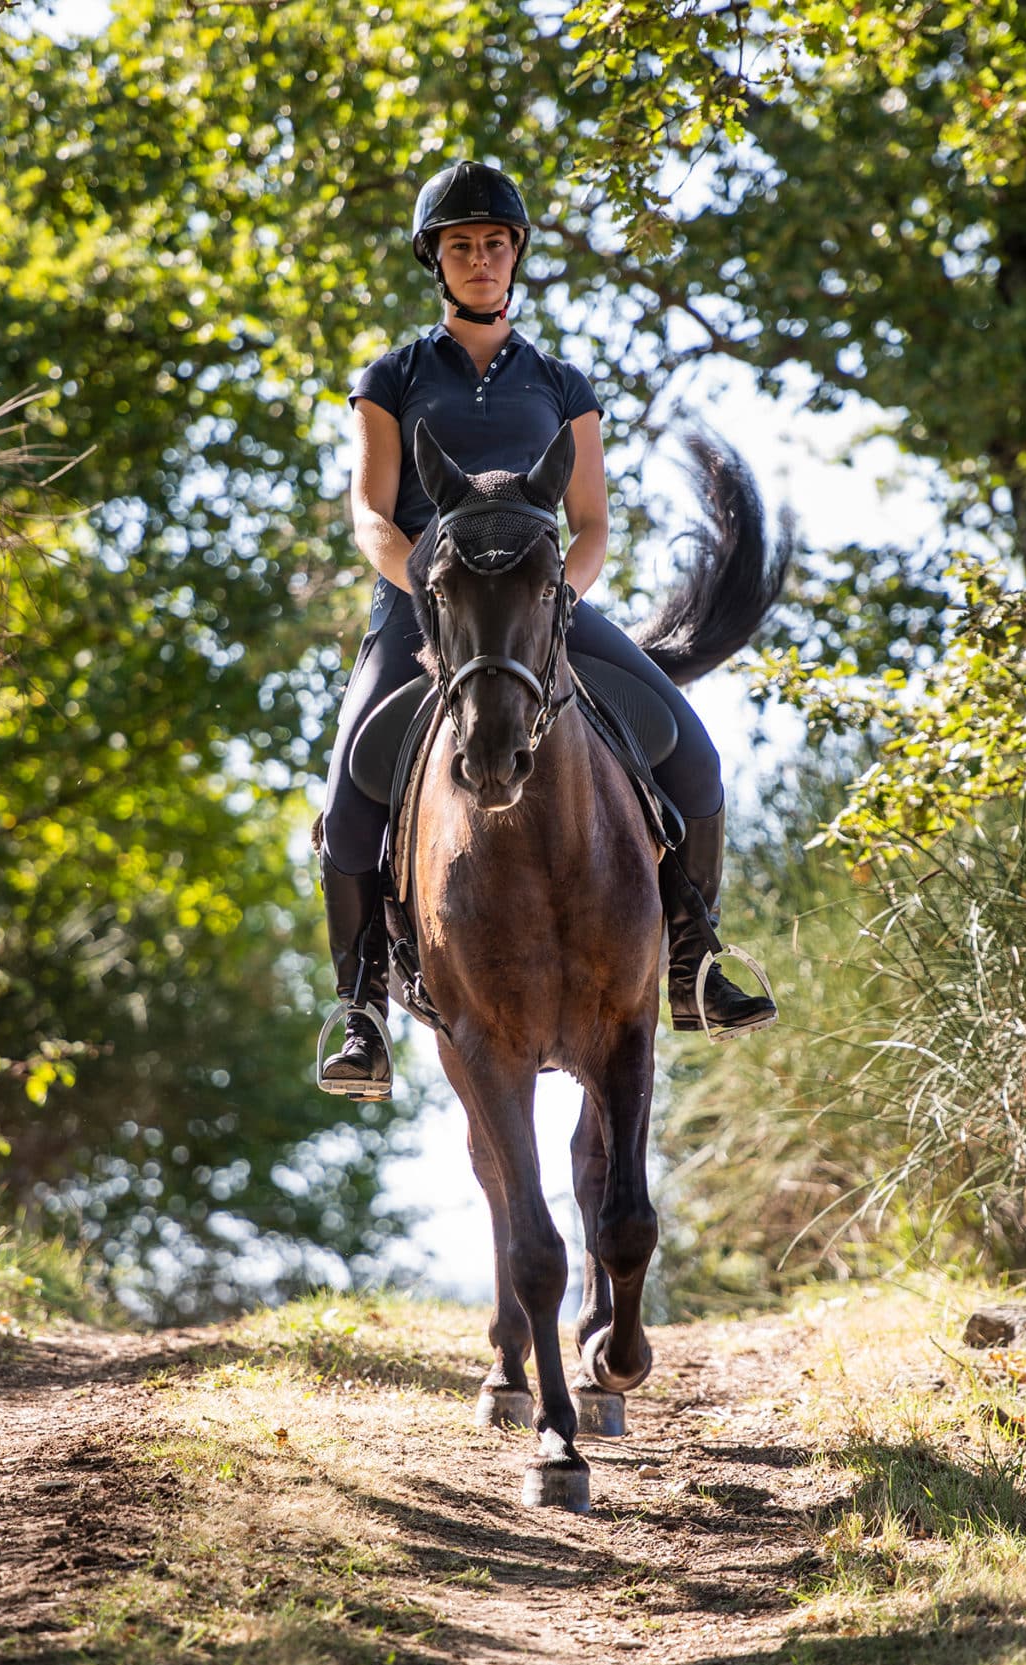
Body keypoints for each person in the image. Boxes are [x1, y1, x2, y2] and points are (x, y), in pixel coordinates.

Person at [316, 160, 777, 1100]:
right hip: (420, 608)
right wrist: (434, 591)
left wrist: (556, 599)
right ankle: (359, 1007)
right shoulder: (392, 376)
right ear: (436, 263)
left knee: (694, 757)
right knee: (346, 801)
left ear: (515, 254)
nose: (479, 259)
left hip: (543, 608)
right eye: (460, 247)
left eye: (493, 243)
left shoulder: (563, 382)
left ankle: (693, 960)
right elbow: (371, 514)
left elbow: (593, 522)